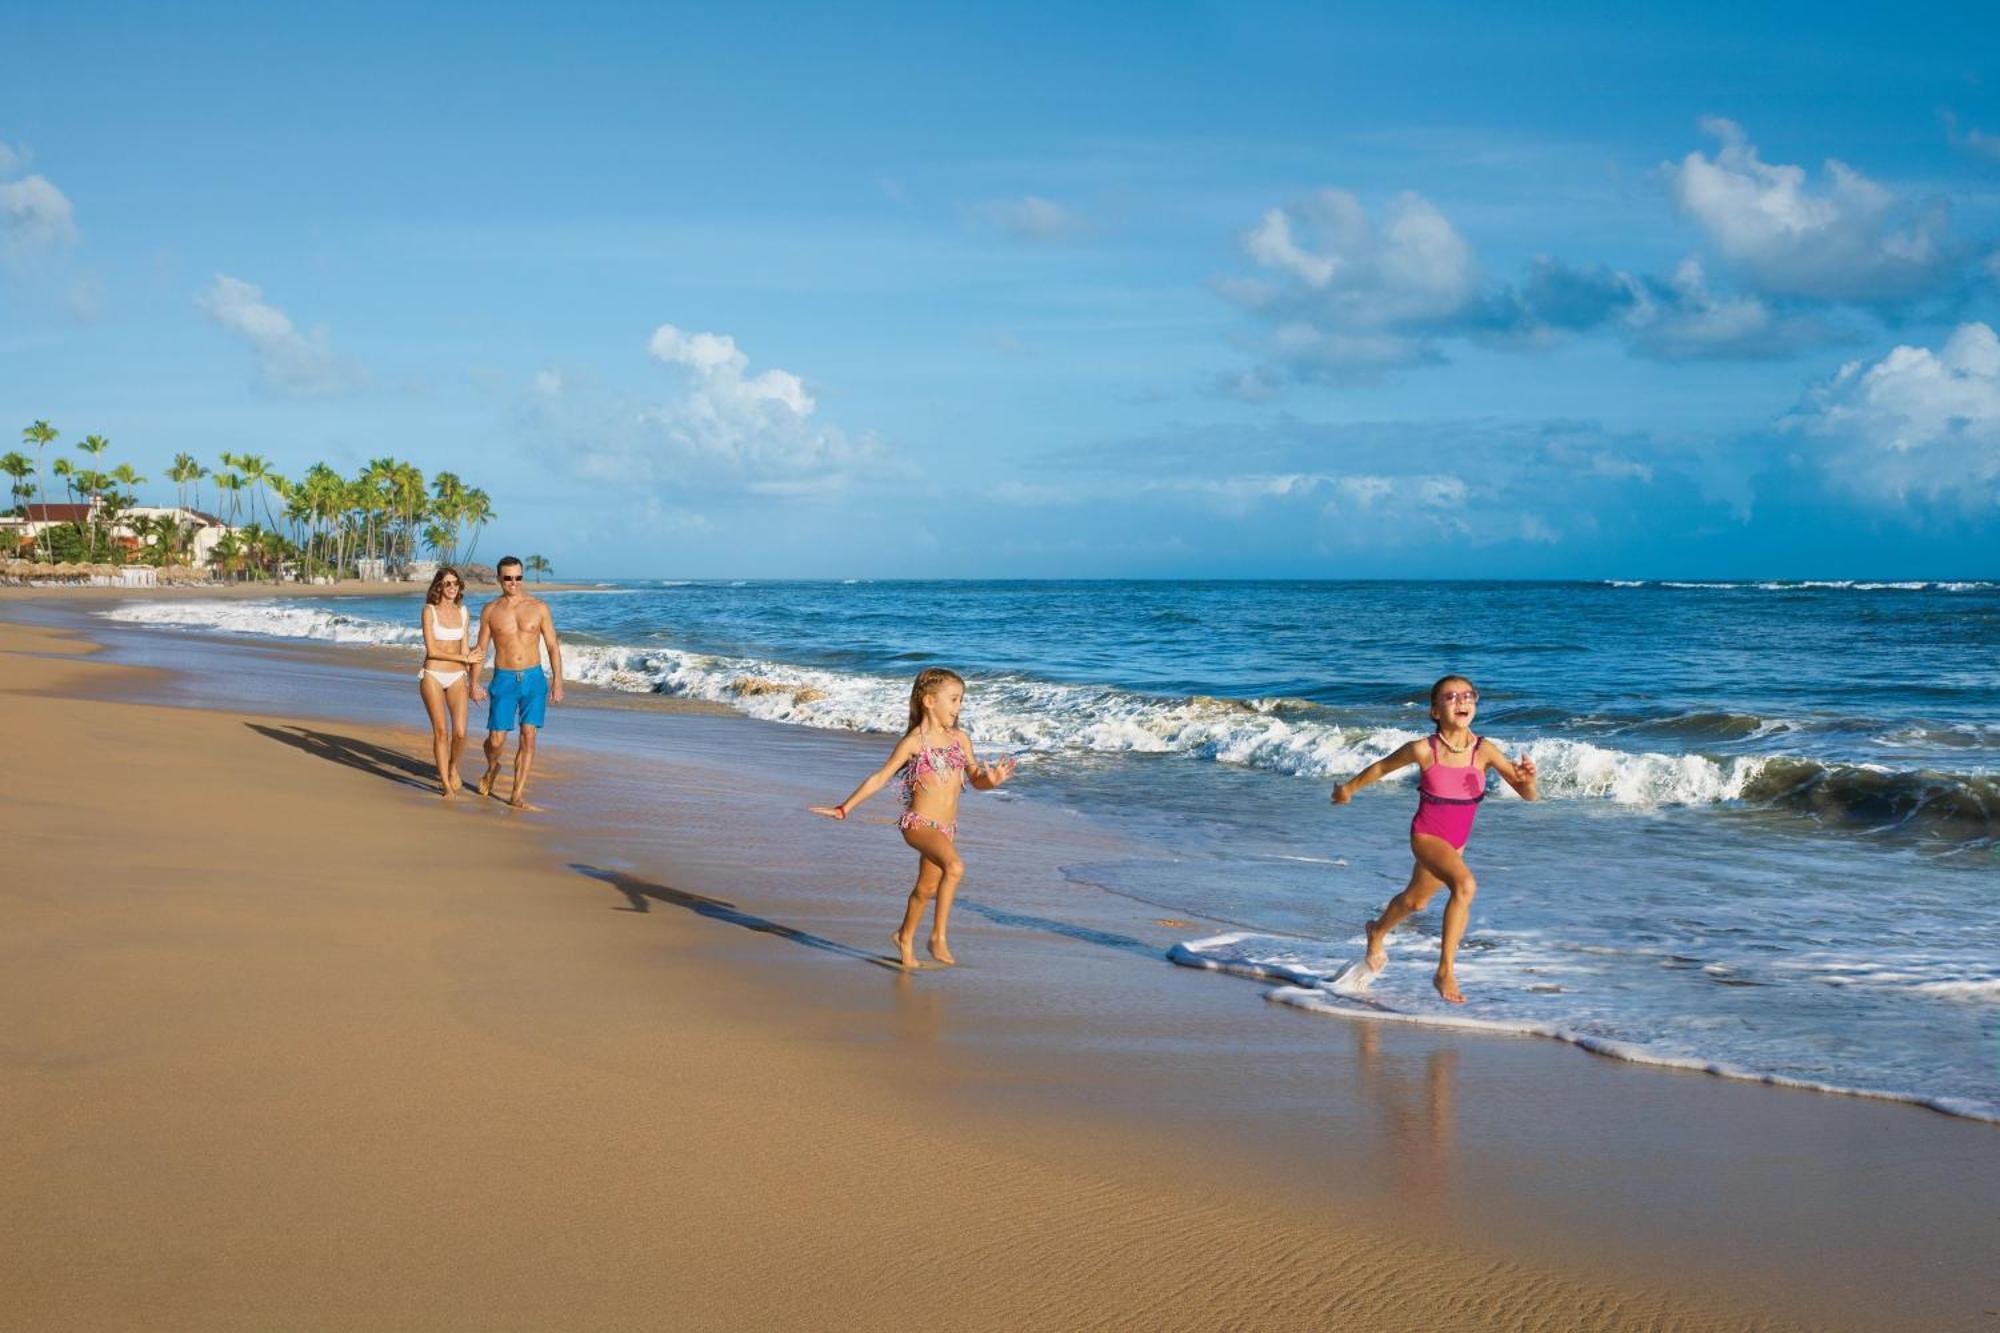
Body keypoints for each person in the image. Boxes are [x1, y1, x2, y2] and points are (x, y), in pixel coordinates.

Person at [1330, 674, 1538, 1004]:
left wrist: (1528, 781)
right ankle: (1445, 971)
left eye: (1468, 695)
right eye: (1451, 697)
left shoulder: (1484, 751)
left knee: (1416, 902)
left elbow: (1527, 795)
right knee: (1465, 885)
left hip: (1455, 844)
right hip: (1426, 835)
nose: (1462, 701)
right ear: (1434, 711)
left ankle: (1376, 931)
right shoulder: (1424, 750)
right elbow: (1381, 768)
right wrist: (1348, 789)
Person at [810, 667, 1016, 969]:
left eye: (961, 701)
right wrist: (845, 808)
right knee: (955, 867)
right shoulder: (914, 742)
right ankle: (937, 937)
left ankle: (904, 937)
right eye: (954, 699)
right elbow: (880, 777)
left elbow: (975, 779)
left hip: (946, 829)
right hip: (918, 824)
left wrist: (992, 780)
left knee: (925, 889)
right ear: (929, 701)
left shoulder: (960, 739)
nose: (959, 707)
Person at [473, 556, 563, 809]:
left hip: (534, 679)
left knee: (528, 736)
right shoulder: (490, 610)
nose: (514, 583)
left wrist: (558, 681)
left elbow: (553, 646)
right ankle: (492, 767)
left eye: (518, 578)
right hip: (504, 679)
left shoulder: (539, 607)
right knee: (496, 740)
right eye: (508, 578)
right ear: (499, 579)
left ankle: (517, 794)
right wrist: (473, 682)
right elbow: (480, 648)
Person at [416, 566, 481, 795]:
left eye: (455, 583)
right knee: (441, 731)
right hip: (432, 674)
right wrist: (464, 656)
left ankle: (453, 767)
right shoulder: (429, 611)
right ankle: (445, 784)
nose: (452, 587)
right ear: (439, 587)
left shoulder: (463, 612)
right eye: (447, 584)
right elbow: (432, 650)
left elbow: (465, 648)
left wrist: (474, 681)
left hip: (457, 676)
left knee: (461, 733)